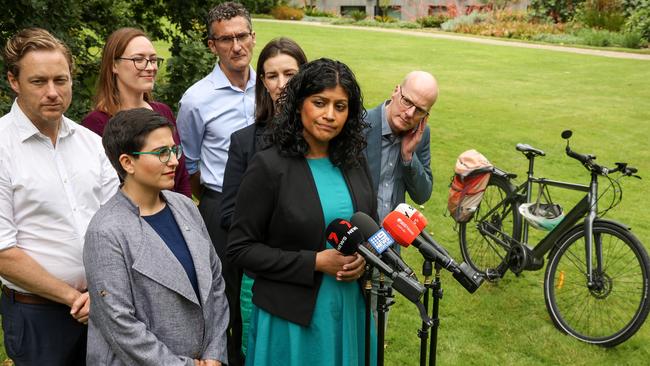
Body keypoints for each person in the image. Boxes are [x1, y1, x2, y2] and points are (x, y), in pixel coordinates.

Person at [227, 58, 377, 366]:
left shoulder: (353, 161)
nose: (330, 115)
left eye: (340, 106)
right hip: (292, 319)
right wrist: (314, 262)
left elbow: (369, 225)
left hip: (350, 307)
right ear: (298, 105)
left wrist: (365, 258)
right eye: (319, 103)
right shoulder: (269, 166)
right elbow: (241, 249)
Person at [0, 28, 119, 365]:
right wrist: (73, 297)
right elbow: (3, 252)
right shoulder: (1, 148)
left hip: (103, 307)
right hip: (37, 316)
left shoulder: (91, 143)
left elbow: (119, 222)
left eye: (60, 80)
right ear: (14, 81)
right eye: (39, 82)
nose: (52, 92)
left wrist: (106, 294)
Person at [84, 108, 229, 366]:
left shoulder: (184, 207)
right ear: (127, 162)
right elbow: (119, 324)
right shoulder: (106, 232)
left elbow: (215, 283)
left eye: (174, 150)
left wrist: (214, 355)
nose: (174, 161)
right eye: (162, 153)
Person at [177, 3, 256, 364]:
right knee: (222, 292)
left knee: (262, 289)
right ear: (212, 45)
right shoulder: (196, 100)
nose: (236, 46)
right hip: (219, 205)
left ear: (253, 38)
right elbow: (189, 163)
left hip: (269, 204)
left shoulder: (271, 87)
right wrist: (212, 197)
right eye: (226, 39)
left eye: (242, 36)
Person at [219, 37, 307, 357]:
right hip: (263, 275)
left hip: (316, 275)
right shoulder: (245, 142)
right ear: (263, 82)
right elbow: (228, 213)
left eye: (290, 74)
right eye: (272, 76)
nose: (282, 84)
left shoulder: (325, 138)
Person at [82, 27, 191, 197]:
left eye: (153, 60)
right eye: (138, 59)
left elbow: (181, 176)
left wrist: (185, 214)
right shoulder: (97, 123)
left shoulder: (162, 112)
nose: (150, 67)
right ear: (114, 65)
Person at [364, 71, 437, 322]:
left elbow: (423, 193)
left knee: (375, 338)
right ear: (396, 91)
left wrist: (408, 157)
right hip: (354, 247)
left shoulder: (420, 134)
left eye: (419, 111)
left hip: (388, 251)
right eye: (407, 101)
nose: (409, 114)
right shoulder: (359, 124)